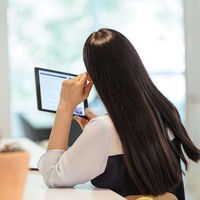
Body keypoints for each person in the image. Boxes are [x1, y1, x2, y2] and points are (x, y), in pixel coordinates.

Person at [38, 28, 200, 200]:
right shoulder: (167, 111)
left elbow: (52, 175)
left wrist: (64, 106)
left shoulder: (102, 129)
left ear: (93, 77)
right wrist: (99, 131)